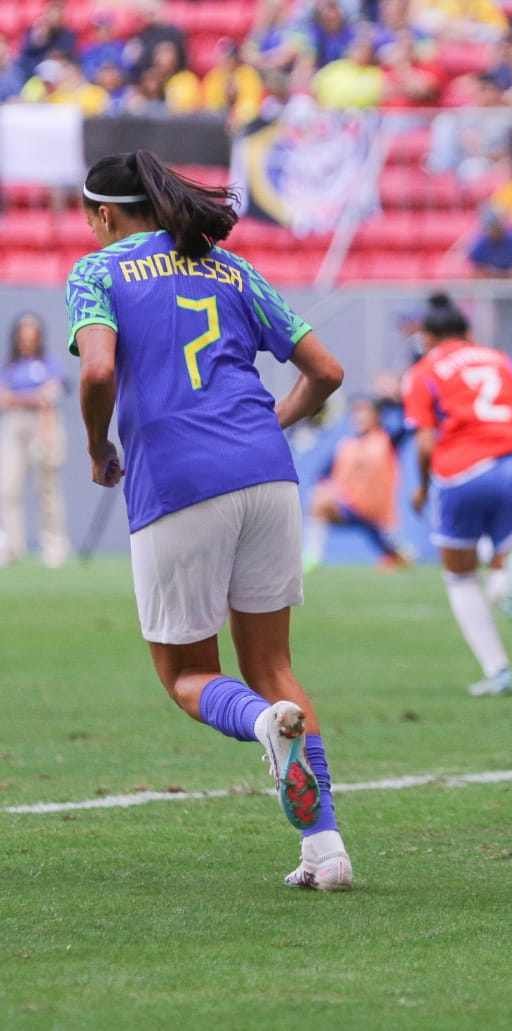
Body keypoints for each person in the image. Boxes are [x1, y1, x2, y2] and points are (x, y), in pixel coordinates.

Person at [66, 150, 351, 889]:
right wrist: (267, 429)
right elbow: (326, 370)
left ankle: (261, 727)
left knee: (191, 674)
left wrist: (98, 447)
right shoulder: (226, 265)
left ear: (103, 214)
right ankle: (326, 851)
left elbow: (97, 370)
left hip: (178, 480)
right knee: (277, 669)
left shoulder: (97, 271)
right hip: (266, 473)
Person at [402, 294, 512, 696]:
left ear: (428, 337)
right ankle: (507, 568)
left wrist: (421, 485)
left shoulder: (423, 371)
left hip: (463, 470)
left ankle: (498, 670)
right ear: (467, 333)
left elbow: (423, 443)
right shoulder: (499, 360)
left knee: (460, 577)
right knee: (505, 545)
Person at [303, 395, 410, 571]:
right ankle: (312, 557)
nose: (360, 417)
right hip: (350, 506)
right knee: (318, 503)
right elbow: (321, 476)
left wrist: (393, 399)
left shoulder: (388, 439)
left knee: (401, 558)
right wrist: (328, 489)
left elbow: (409, 422)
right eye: (357, 412)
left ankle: (397, 553)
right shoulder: (346, 445)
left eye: (365, 412)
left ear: (377, 416)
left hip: (377, 512)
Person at [0, 313, 70, 567]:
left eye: (31, 336)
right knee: (8, 487)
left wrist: (21, 397)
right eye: (23, 336)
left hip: (44, 424)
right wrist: (33, 396)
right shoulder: (9, 367)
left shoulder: (49, 363)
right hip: (14, 426)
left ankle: (54, 545)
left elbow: (54, 393)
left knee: (47, 487)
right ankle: (12, 547)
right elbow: (4, 399)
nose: (27, 341)